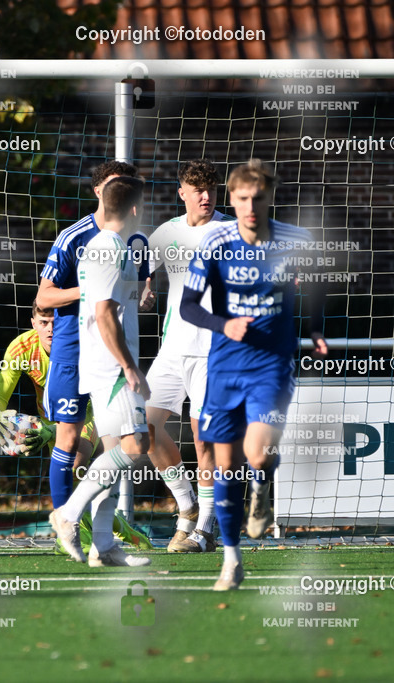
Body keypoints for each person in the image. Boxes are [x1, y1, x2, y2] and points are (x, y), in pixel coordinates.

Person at [179, 160, 327, 590]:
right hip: (224, 367)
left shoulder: (294, 241)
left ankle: (261, 485)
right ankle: (230, 558)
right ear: (232, 199)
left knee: (257, 454)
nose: (249, 206)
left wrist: (315, 328)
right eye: (241, 198)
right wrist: (223, 325)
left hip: (271, 365)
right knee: (224, 466)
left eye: (257, 198)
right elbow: (189, 305)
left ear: (269, 199)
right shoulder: (215, 242)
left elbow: (315, 288)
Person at [0, 301, 151, 553]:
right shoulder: (21, 348)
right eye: (43, 323)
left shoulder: (83, 346)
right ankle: (116, 525)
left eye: (56, 323)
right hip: (52, 421)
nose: (50, 329)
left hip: (90, 416)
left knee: (75, 465)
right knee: (71, 480)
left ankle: (75, 536)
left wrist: (52, 431)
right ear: (33, 324)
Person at [52, 176, 152, 567]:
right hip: (111, 367)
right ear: (134, 208)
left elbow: (109, 303)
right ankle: (69, 514)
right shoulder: (109, 247)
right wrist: (129, 366)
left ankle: (105, 545)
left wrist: (137, 294)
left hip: (100, 362)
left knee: (113, 453)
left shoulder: (103, 246)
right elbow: (102, 313)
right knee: (135, 447)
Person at [144, 159, 234, 553]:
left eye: (211, 188)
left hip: (214, 353)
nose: (206, 196)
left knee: (204, 441)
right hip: (172, 350)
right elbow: (141, 268)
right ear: (181, 192)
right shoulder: (167, 232)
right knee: (142, 424)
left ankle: (207, 530)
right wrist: (145, 288)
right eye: (197, 189)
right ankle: (187, 506)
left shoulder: (232, 231)